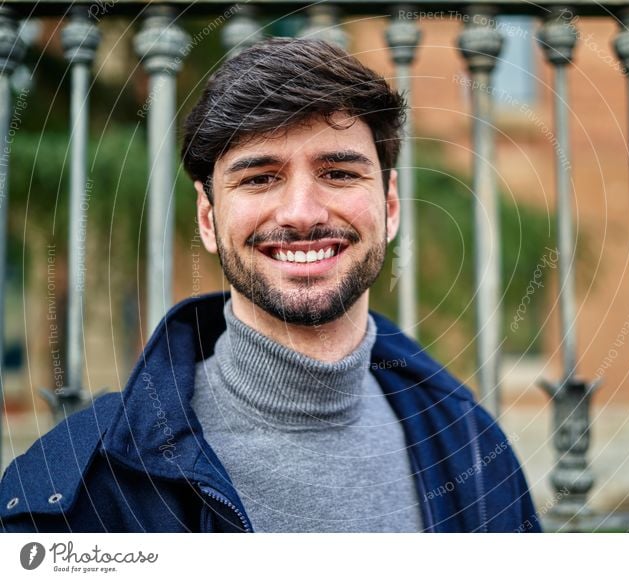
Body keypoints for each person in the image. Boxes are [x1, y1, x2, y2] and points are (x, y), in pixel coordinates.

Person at [0, 38, 541, 533]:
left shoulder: (472, 449)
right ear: (209, 219)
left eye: (339, 173)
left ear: (391, 205)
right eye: (260, 178)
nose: (301, 214)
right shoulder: (79, 494)